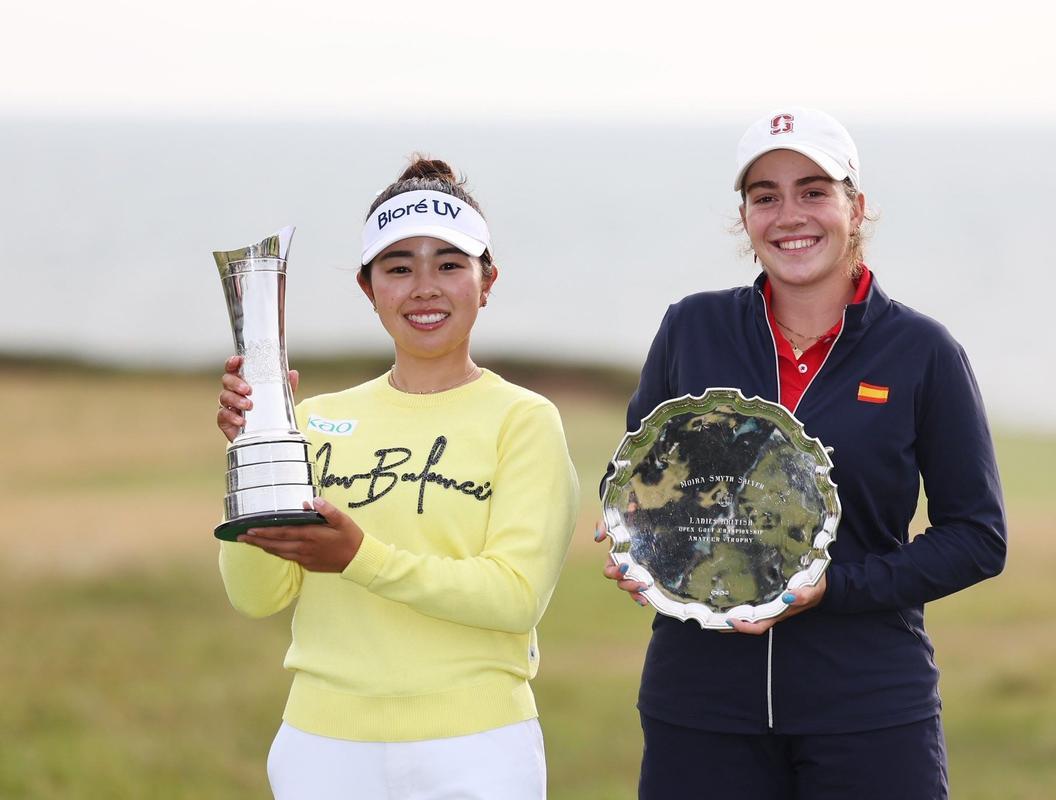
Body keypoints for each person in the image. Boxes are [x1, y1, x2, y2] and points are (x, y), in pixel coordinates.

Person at [600, 108, 1007, 799]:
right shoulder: (691, 328)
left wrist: (834, 590)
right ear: (746, 217)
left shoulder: (921, 352)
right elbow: (634, 481)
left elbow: (977, 537)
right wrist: (634, 544)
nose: (790, 215)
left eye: (813, 190)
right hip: (700, 709)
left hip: (868, 708)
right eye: (766, 196)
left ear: (856, 206)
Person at [216, 156, 580, 800]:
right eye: (399, 266)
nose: (424, 287)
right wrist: (253, 449)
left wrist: (359, 557)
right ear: (368, 287)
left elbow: (514, 595)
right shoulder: (316, 419)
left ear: (486, 279)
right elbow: (258, 595)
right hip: (321, 749)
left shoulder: (523, 420)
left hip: (479, 749)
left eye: (448, 263)